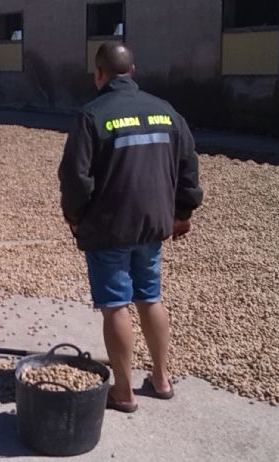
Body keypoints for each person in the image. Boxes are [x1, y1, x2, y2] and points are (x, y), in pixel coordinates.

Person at [58, 43, 203, 412]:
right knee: (150, 297)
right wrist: (182, 211)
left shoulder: (92, 116)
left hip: (109, 228)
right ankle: (161, 378)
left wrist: (75, 218)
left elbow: (75, 178)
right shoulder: (166, 112)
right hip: (153, 225)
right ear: (132, 70)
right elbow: (189, 166)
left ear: (99, 73)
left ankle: (123, 393)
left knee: (115, 305)